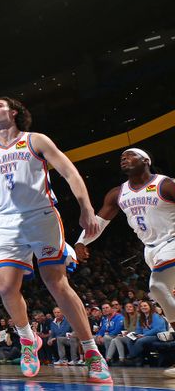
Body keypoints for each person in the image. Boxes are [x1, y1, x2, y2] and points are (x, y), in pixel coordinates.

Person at [0, 97, 111, 383]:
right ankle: (28, 340)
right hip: (9, 224)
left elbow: (68, 171)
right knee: (5, 288)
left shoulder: (35, 140)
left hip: (41, 216)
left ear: (14, 112)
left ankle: (91, 353)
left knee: (56, 283)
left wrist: (86, 207)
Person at [74, 147, 175, 374]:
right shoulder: (118, 193)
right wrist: (81, 243)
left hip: (172, 241)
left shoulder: (165, 184)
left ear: (146, 160)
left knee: (157, 287)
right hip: (150, 250)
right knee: (165, 295)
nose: (124, 159)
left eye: (130, 155)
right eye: (122, 157)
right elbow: (98, 222)